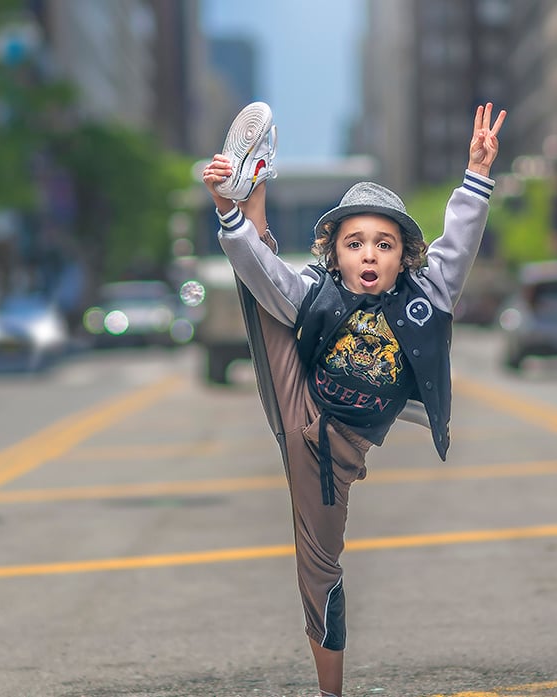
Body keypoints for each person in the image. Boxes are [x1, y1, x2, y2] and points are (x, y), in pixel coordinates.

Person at [202, 100, 506, 697]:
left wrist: (477, 175)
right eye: (356, 243)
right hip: (301, 403)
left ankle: (249, 197)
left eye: (384, 244)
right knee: (268, 298)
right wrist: (225, 212)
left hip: (335, 453)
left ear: (404, 258)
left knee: (322, 570)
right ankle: (247, 191)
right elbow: (268, 277)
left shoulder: (427, 297)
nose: (369, 254)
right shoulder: (318, 294)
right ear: (335, 255)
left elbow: (459, 243)